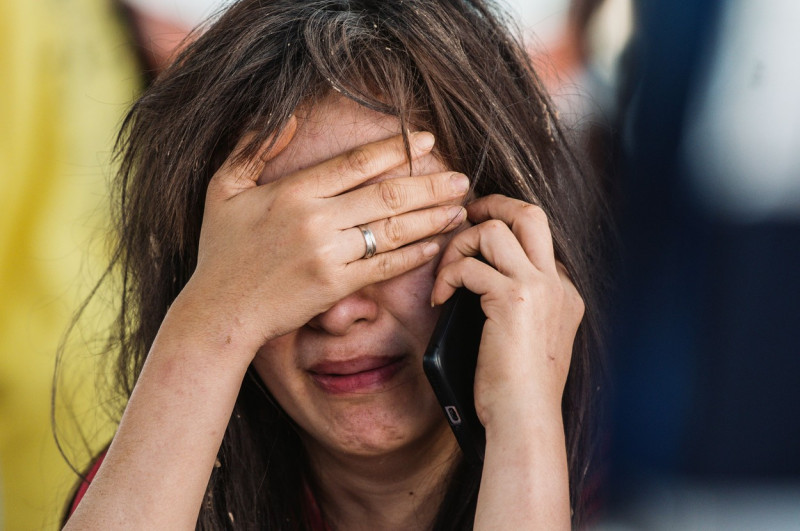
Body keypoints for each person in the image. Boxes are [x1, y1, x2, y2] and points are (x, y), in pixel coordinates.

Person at [59, 0, 605, 528]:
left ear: (502, 237)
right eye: (284, 254)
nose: (339, 313)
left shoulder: (641, 488)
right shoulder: (144, 490)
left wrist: (525, 429)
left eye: (387, 242)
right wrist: (205, 332)